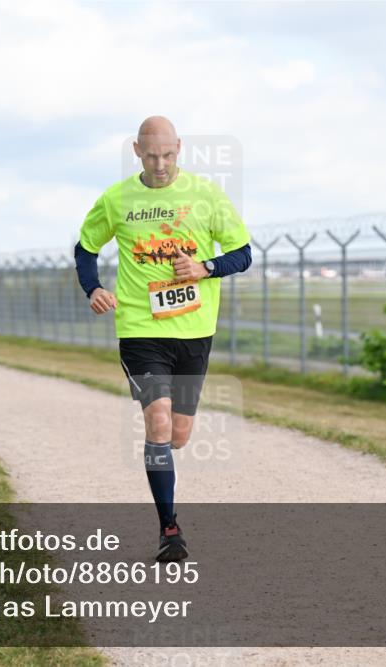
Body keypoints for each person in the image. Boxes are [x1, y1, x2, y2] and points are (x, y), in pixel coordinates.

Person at [74, 116, 253, 562]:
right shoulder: (117, 200)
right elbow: (85, 248)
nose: (160, 164)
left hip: (194, 332)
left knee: (177, 434)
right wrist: (93, 287)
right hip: (140, 329)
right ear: (136, 150)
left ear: (180, 148)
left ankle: (166, 472)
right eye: (151, 155)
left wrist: (204, 268)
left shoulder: (206, 195)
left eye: (168, 155)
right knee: (156, 423)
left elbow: (243, 253)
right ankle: (169, 530)